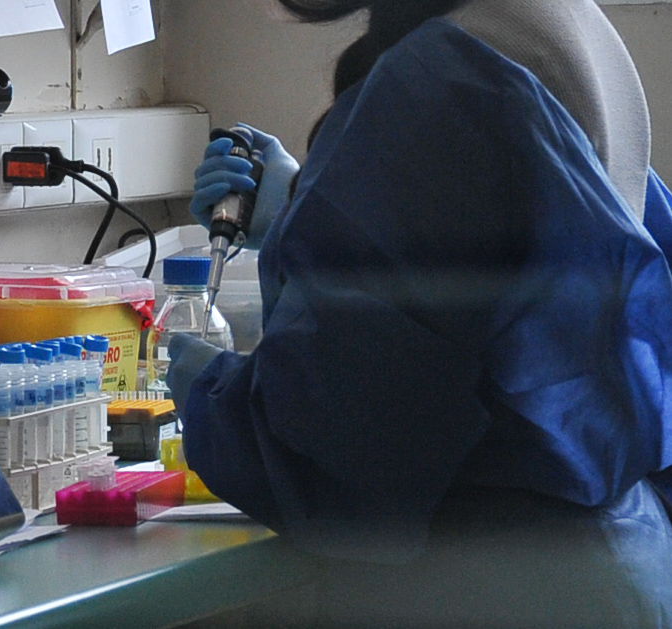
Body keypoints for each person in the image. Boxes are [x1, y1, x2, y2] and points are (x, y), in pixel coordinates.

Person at [166, 0, 672, 625]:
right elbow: (540, 276)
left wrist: (207, 394)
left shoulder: (439, 79)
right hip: (620, 563)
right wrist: (312, 206)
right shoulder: (557, 22)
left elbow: (338, 457)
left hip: (490, 586)